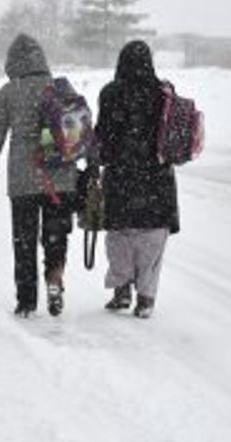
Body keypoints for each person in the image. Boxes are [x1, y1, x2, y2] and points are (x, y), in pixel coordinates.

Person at [0, 34, 76, 318]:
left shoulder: (9, 91)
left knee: (24, 241)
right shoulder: (60, 87)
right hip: (60, 177)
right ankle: (54, 278)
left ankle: (26, 300)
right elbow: (77, 130)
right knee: (56, 236)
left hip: (23, 179)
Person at [94, 40, 179, 319]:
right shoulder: (163, 94)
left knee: (119, 235)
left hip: (121, 176)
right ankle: (146, 297)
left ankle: (121, 290)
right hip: (157, 178)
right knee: (153, 237)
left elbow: (102, 136)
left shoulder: (111, 93)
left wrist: (100, 159)